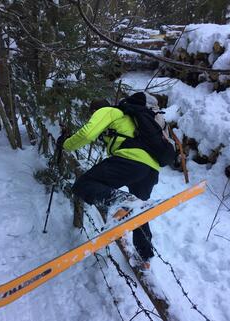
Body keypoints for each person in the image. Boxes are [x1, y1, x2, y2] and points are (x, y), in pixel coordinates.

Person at [62, 92, 160, 263]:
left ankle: (120, 201)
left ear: (94, 111)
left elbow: (87, 134)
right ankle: (145, 256)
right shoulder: (129, 118)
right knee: (138, 211)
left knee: (83, 184)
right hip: (151, 168)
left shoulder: (108, 111)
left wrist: (65, 144)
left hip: (132, 161)